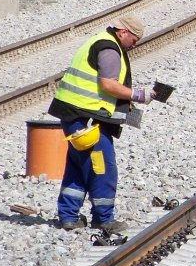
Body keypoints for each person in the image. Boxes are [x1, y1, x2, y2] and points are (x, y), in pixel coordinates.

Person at [47, 14, 156, 231]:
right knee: (102, 167)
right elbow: (108, 85)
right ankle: (103, 218)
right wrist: (138, 95)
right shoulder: (109, 49)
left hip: (75, 113)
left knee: (78, 166)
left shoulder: (100, 41)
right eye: (134, 40)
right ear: (123, 32)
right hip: (86, 118)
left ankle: (68, 216)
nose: (134, 46)